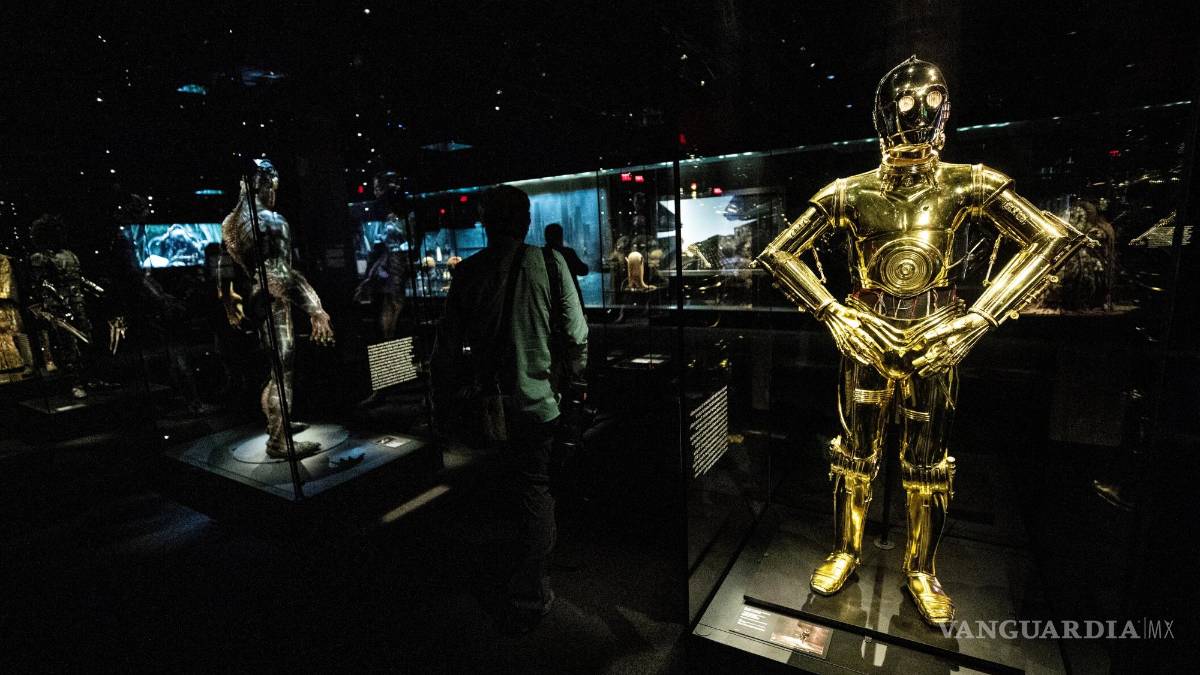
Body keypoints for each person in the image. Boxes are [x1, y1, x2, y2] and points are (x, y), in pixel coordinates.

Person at [437, 185, 588, 633]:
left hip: (487, 409)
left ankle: (513, 568)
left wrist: (442, 405)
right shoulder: (551, 263)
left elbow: (446, 350)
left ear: (486, 222)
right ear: (526, 221)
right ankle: (530, 590)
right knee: (535, 491)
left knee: (503, 489)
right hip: (539, 405)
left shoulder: (468, 273)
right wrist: (575, 385)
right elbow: (577, 335)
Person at [221, 159, 335, 459]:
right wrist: (315, 308)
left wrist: (229, 301)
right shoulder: (272, 221)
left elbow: (223, 267)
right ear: (267, 184)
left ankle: (278, 425)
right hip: (274, 301)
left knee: (275, 370)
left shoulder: (233, 222)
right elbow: (282, 275)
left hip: (256, 302)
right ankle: (278, 442)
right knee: (283, 374)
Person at [542, 222, 588, 304]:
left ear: (546, 237)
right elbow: (583, 270)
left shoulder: (541, 254)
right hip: (570, 300)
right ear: (560, 237)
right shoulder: (568, 253)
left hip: (549, 301)